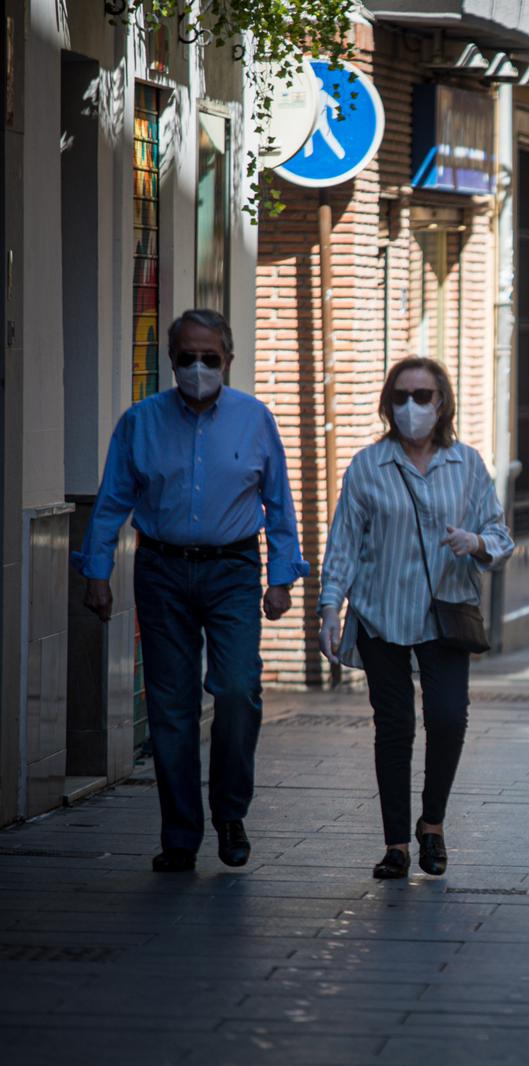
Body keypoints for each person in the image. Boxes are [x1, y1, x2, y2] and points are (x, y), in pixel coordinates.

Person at [73, 309, 308, 873]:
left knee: (235, 689)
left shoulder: (255, 419)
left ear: (228, 360)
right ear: (170, 360)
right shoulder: (140, 421)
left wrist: (281, 578)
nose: (198, 367)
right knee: (171, 706)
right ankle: (180, 834)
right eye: (187, 357)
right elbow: (111, 503)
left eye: (210, 358)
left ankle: (230, 813)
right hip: (162, 571)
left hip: (232, 570)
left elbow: (279, 501)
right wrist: (96, 571)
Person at [318, 357, 512, 880]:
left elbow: (501, 536)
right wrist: (330, 606)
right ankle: (397, 844)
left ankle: (433, 823)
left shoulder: (467, 464)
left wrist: (475, 543)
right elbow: (343, 545)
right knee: (394, 726)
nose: (411, 407)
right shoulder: (367, 466)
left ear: (442, 403)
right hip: (381, 615)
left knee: (448, 719)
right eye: (401, 397)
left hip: (445, 614)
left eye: (422, 396)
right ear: (388, 404)